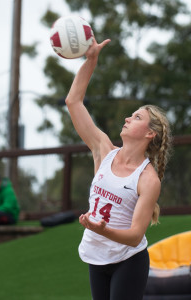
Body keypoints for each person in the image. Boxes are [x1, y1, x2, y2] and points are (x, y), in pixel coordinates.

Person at [65, 37, 172, 300]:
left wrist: (101, 229)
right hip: (97, 257)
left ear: (149, 134)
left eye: (136, 117)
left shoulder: (148, 179)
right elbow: (73, 102)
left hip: (129, 261)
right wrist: (91, 60)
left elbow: (135, 236)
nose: (127, 117)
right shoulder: (103, 150)